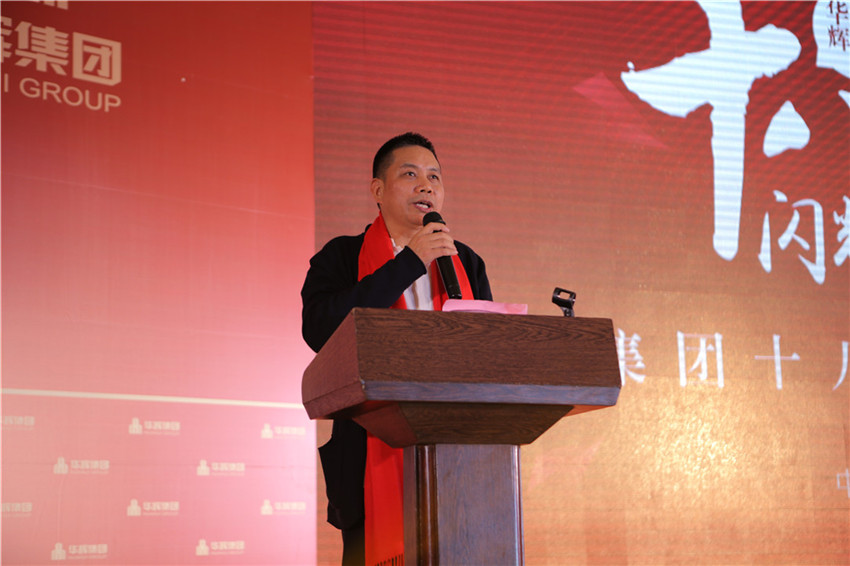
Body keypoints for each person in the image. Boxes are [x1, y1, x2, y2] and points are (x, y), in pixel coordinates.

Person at [301, 132, 492, 565]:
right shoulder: (342, 257)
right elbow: (320, 330)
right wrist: (409, 262)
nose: (426, 186)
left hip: (460, 467)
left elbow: (487, 349)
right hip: (368, 462)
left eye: (434, 177)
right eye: (410, 174)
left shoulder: (466, 262)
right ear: (378, 190)